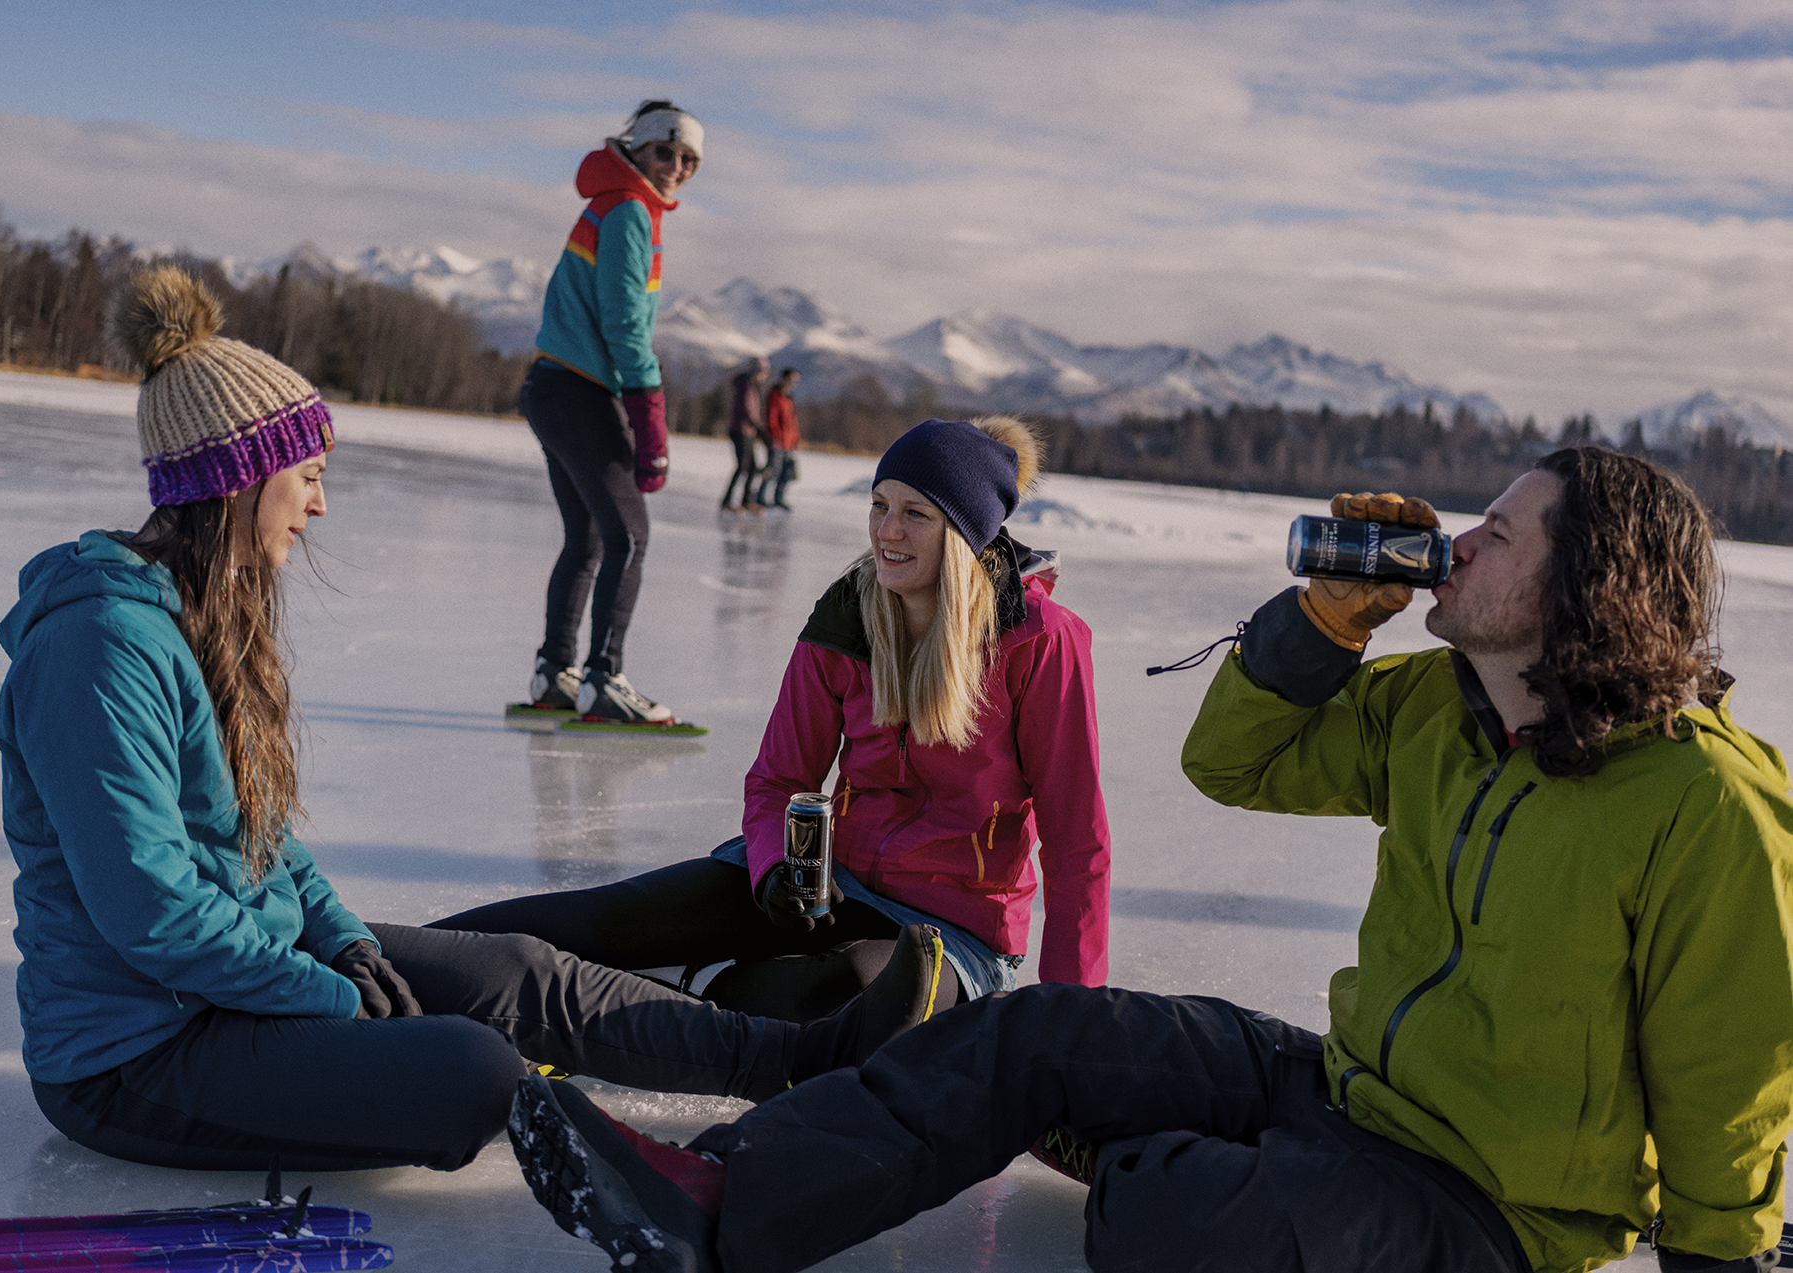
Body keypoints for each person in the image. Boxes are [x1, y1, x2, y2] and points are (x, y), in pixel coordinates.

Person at [505, 449, 1793, 1273]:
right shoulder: (1432, 710)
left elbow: (1727, 1077)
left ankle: (1145, 1154)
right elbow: (1233, 765)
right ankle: (723, 1192)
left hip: (1494, 1210)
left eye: (1500, 535)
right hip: (1341, 1088)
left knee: (1164, 1213)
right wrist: (1318, 629)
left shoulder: (1703, 804)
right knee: (1035, 1035)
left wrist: (1720, 1259)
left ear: (1591, 581)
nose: (1454, 545)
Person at [0, 266, 944, 1176]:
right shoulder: (97, 651)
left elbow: (262, 843)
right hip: (139, 1052)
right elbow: (152, 916)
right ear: (239, 476)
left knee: (519, 972)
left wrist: (342, 940)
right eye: (308, 474)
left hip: (242, 972)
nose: (320, 504)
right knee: (470, 1071)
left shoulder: (200, 614)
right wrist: (335, 999)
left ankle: (799, 1056)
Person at [436, 416, 1111, 1023]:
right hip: (821, 884)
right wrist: (770, 870)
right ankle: (376, 961)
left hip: (949, 932)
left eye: (915, 514)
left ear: (964, 533)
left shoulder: (1038, 640)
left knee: (827, 999)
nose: (887, 531)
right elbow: (777, 778)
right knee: (602, 918)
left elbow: (1077, 841)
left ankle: (634, 1005)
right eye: (878, 506)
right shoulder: (851, 611)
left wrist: (1069, 1023)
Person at [522, 99, 703, 725]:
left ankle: (555, 673)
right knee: (629, 536)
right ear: (636, 150)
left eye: (689, 160)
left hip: (555, 386)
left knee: (592, 536)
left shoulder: (618, 205)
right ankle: (603, 678)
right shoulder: (629, 210)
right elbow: (625, 325)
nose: (676, 166)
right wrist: (649, 417)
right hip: (577, 389)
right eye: (665, 153)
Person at [720, 355, 769, 513]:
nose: (765, 375)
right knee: (743, 467)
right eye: (764, 372)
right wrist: (760, 429)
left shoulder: (751, 386)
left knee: (752, 468)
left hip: (747, 431)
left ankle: (746, 501)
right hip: (741, 431)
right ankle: (727, 501)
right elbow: (748, 411)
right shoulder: (746, 386)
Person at [758, 366, 800, 509]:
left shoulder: (790, 399)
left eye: (795, 381)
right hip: (778, 441)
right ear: (783, 379)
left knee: (787, 473)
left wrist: (795, 439)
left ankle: (778, 498)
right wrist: (775, 437)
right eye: (791, 380)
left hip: (789, 443)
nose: (793, 384)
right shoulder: (775, 395)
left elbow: (792, 421)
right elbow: (772, 419)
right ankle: (760, 497)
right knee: (772, 471)